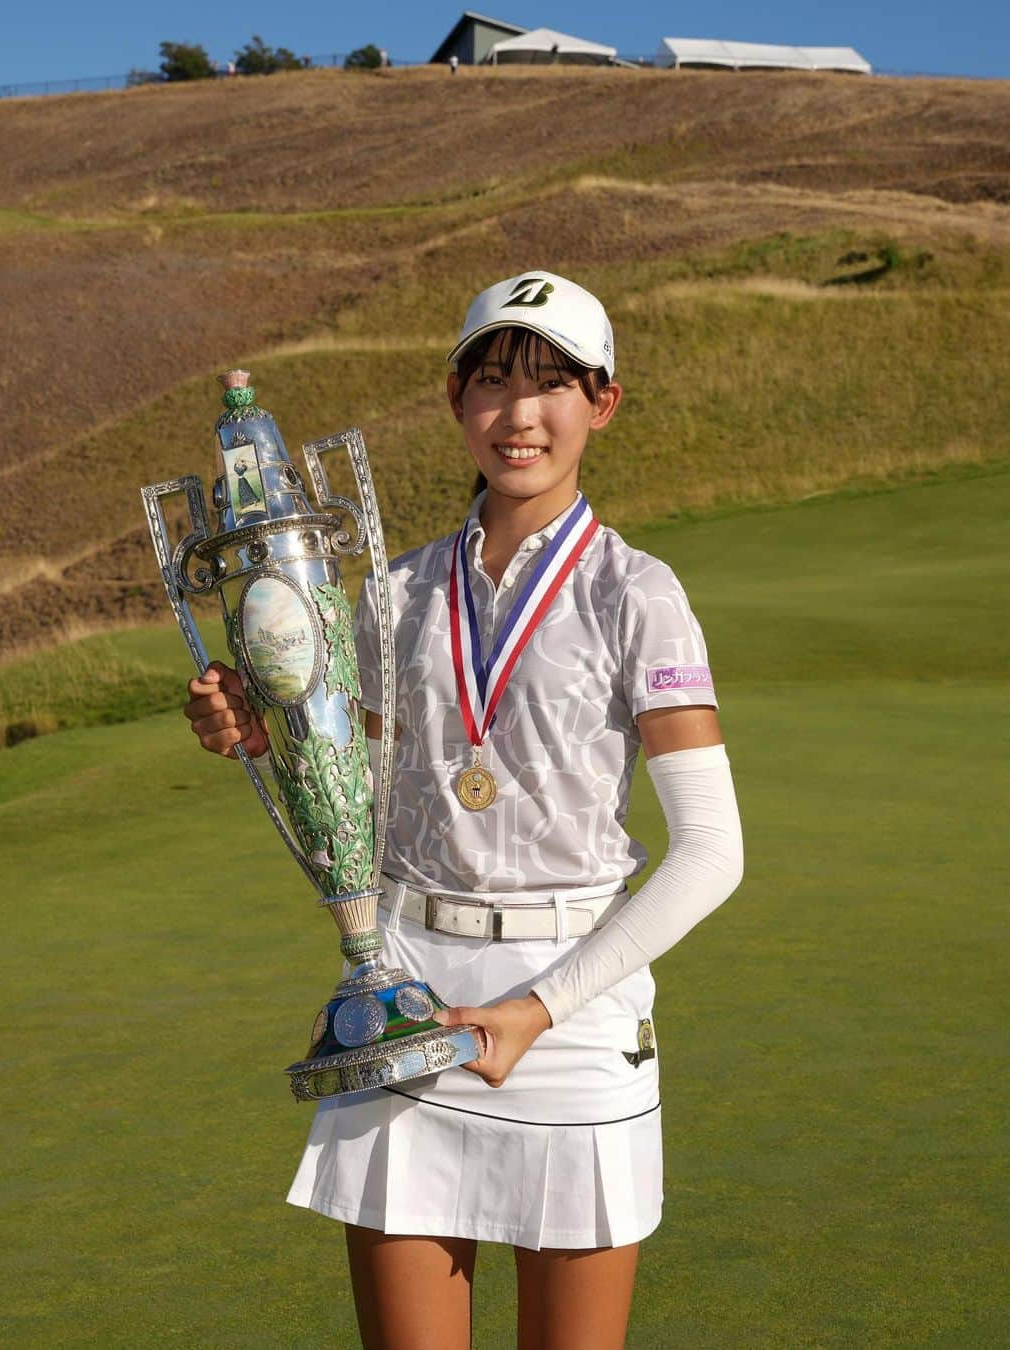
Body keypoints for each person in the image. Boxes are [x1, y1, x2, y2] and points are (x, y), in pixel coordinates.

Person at [183, 270, 744, 1349]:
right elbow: (354, 778)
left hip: (573, 1016)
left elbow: (712, 853)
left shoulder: (640, 596)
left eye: (551, 385)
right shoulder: (393, 592)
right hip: (409, 995)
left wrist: (535, 1011)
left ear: (603, 402)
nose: (519, 416)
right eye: (493, 382)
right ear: (454, 399)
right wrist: (259, 732)